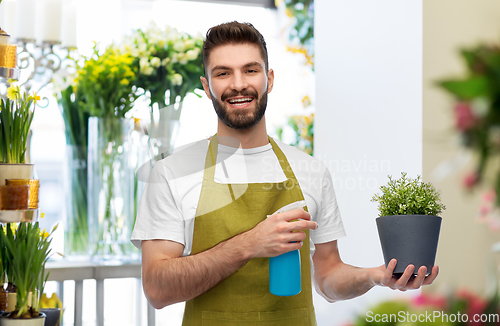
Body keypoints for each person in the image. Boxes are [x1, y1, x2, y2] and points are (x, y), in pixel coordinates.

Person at [131, 21, 438, 325]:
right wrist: (250, 244)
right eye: (223, 73)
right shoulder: (173, 172)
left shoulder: (311, 171)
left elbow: (328, 277)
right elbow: (157, 289)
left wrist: (373, 276)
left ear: (270, 79)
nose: (238, 84)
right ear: (206, 87)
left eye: (250, 70)